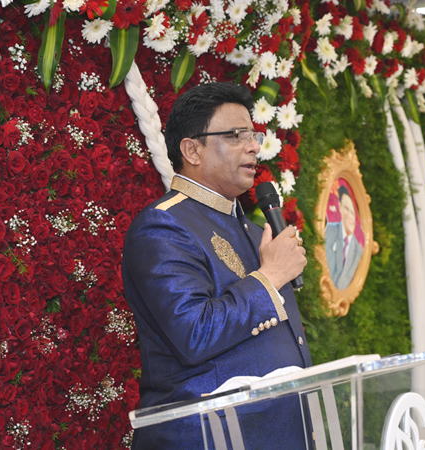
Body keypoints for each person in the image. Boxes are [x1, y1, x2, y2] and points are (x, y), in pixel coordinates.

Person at [121, 82, 312, 450]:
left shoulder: (255, 231)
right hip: (206, 438)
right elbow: (194, 333)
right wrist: (270, 277)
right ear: (191, 149)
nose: (254, 146)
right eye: (236, 135)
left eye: (253, 134)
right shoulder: (163, 227)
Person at [325, 185, 363, 290]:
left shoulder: (358, 250)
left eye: (353, 213)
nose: (350, 216)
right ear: (340, 206)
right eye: (347, 209)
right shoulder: (328, 231)